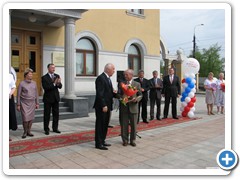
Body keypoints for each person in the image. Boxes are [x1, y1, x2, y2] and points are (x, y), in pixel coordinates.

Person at [93, 63, 119, 150]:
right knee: (100, 124)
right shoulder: (101, 78)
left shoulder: (108, 79)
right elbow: (100, 94)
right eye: (113, 69)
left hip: (108, 105)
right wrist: (103, 105)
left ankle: (103, 140)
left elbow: (109, 92)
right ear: (108, 69)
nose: (114, 71)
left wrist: (118, 95)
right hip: (102, 106)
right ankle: (98, 143)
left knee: (105, 124)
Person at [119, 69, 142, 147]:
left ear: (131, 75)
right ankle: (125, 140)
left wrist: (136, 99)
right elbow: (118, 94)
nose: (125, 76)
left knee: (134, 125)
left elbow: (140, 95)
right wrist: (122, 97)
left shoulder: (137, 84)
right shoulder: (122, 83)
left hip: (133, 107)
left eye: (126, 75)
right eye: (124, 75)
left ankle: (132, 140)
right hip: (124, 107)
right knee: (124, 125)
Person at [17, 68, 39, 138]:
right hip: (24, 103)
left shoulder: (34, 83)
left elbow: (36, 94)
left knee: (31, 118)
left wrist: (37, 103)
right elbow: (18, 95)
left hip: (32, 103)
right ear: (26, 75)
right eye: (30, 74)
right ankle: (25, 131)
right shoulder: (21, 83)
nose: (31, 75)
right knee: (25, 118)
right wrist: (18, 104)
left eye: (31, 74)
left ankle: (29, 131)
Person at [42, 63, 62, 135]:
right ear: (48, 68)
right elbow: (46, 88)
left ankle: (55, 128)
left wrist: (59, 83)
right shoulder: (44, 77)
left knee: (56, 114)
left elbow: (60, 87)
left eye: (54, 67)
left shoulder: (57, 76)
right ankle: (46, 129)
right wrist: (54, 84)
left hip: (55, 98)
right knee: (47, 114)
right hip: (48, 98)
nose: (53, 69)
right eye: (52, 68)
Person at [9, 73, 18, 141]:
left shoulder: (10, 75)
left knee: (8, 116)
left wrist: (10, 93)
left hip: (9, 98)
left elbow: (13, 87)